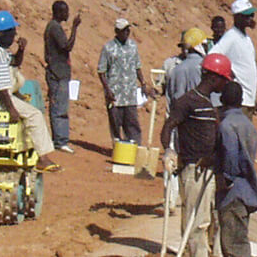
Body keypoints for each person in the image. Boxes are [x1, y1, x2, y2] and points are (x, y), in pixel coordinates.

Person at [163, 53, 234, 257]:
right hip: (194, 171)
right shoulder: (187, 102)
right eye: (223, 79)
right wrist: (168, 151)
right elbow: (168, 127)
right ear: (213, 77)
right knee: (196, 225)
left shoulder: (210, 105)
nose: (224, 85)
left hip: (211, 171)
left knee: (216, 221)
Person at [0, 11, 59, 172]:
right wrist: (12, 110)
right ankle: (43, 158)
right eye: (13, 32)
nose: (14, 36)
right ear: (5, 34)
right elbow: (2, 89)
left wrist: (21, 50)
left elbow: (15, 63)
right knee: (35, 115)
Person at [215, 83, 257, 257]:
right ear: (241, 101)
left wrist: (225, 180)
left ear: (221, 99)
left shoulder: (226, 125)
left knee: (233, 247)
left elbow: (230, 159)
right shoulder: (247, 124)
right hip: (246, 191)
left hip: (232, 195)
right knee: (240, 241)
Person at [98, 18, 153, 146]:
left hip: (130, 94)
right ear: (117, 31)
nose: (127, 32)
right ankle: (118, 149)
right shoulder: (108, 48)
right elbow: (101, 72)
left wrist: (143, 84)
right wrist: (108, 90)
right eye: (124, 30)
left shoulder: (133, 46)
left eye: (128, 30)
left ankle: (135, 148)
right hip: (115, 94)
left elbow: (137, 67)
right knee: (116, 124)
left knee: (132, 123)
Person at [209, 0, 257, 115]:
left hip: (247, 99)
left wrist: (253, 98)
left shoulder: (246, 38)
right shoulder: (231, 37)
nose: (251, 18)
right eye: (247, 15)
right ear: (237, 17)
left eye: (252, 15)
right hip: (238, 100)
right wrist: (228, 77)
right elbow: (212, 57)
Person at [42, 1, 81, 153]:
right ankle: (60, 140)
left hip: (59, 72)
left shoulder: (53, 27)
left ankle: (59, 138)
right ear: (58, 12)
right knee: (60, 107)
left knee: (59, 105)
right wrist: (75, 28)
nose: (67, 14)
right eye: (65, 12)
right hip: (57, 73)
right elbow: (67, 46)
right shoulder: (55, 28)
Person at [165, 28, 209, 104]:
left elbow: (172, 97)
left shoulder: (176, 69)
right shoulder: (207, 67)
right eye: (205, 45)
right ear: (199, 46)